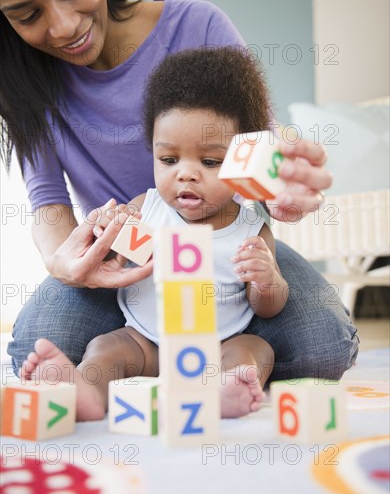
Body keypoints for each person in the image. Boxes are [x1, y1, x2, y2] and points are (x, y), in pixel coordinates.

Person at [0, 0, 358, 380]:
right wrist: (65, 261)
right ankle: (148, 349)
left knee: (324, 347)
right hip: (120, 263)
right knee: (33, 344)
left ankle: (209, 362)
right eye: (27, 15)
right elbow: (47, 199)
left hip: (224, 249)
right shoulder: (20, 79)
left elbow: (261, 141)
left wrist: (278, 185)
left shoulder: (198, 24)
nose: (63, 27)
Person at [21, 46, 288, 420]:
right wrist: (103, 233)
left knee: (256, 348)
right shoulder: (146, 206)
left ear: (243, 163)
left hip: (217, 347)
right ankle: (87, 393)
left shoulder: (250, 228)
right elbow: (110, 247)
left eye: (210, 162)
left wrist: (266, 278)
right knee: (105, 348)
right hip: (144, 342)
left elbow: (268, 306)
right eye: (168, 160)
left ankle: (222, 392)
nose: (186, 173)